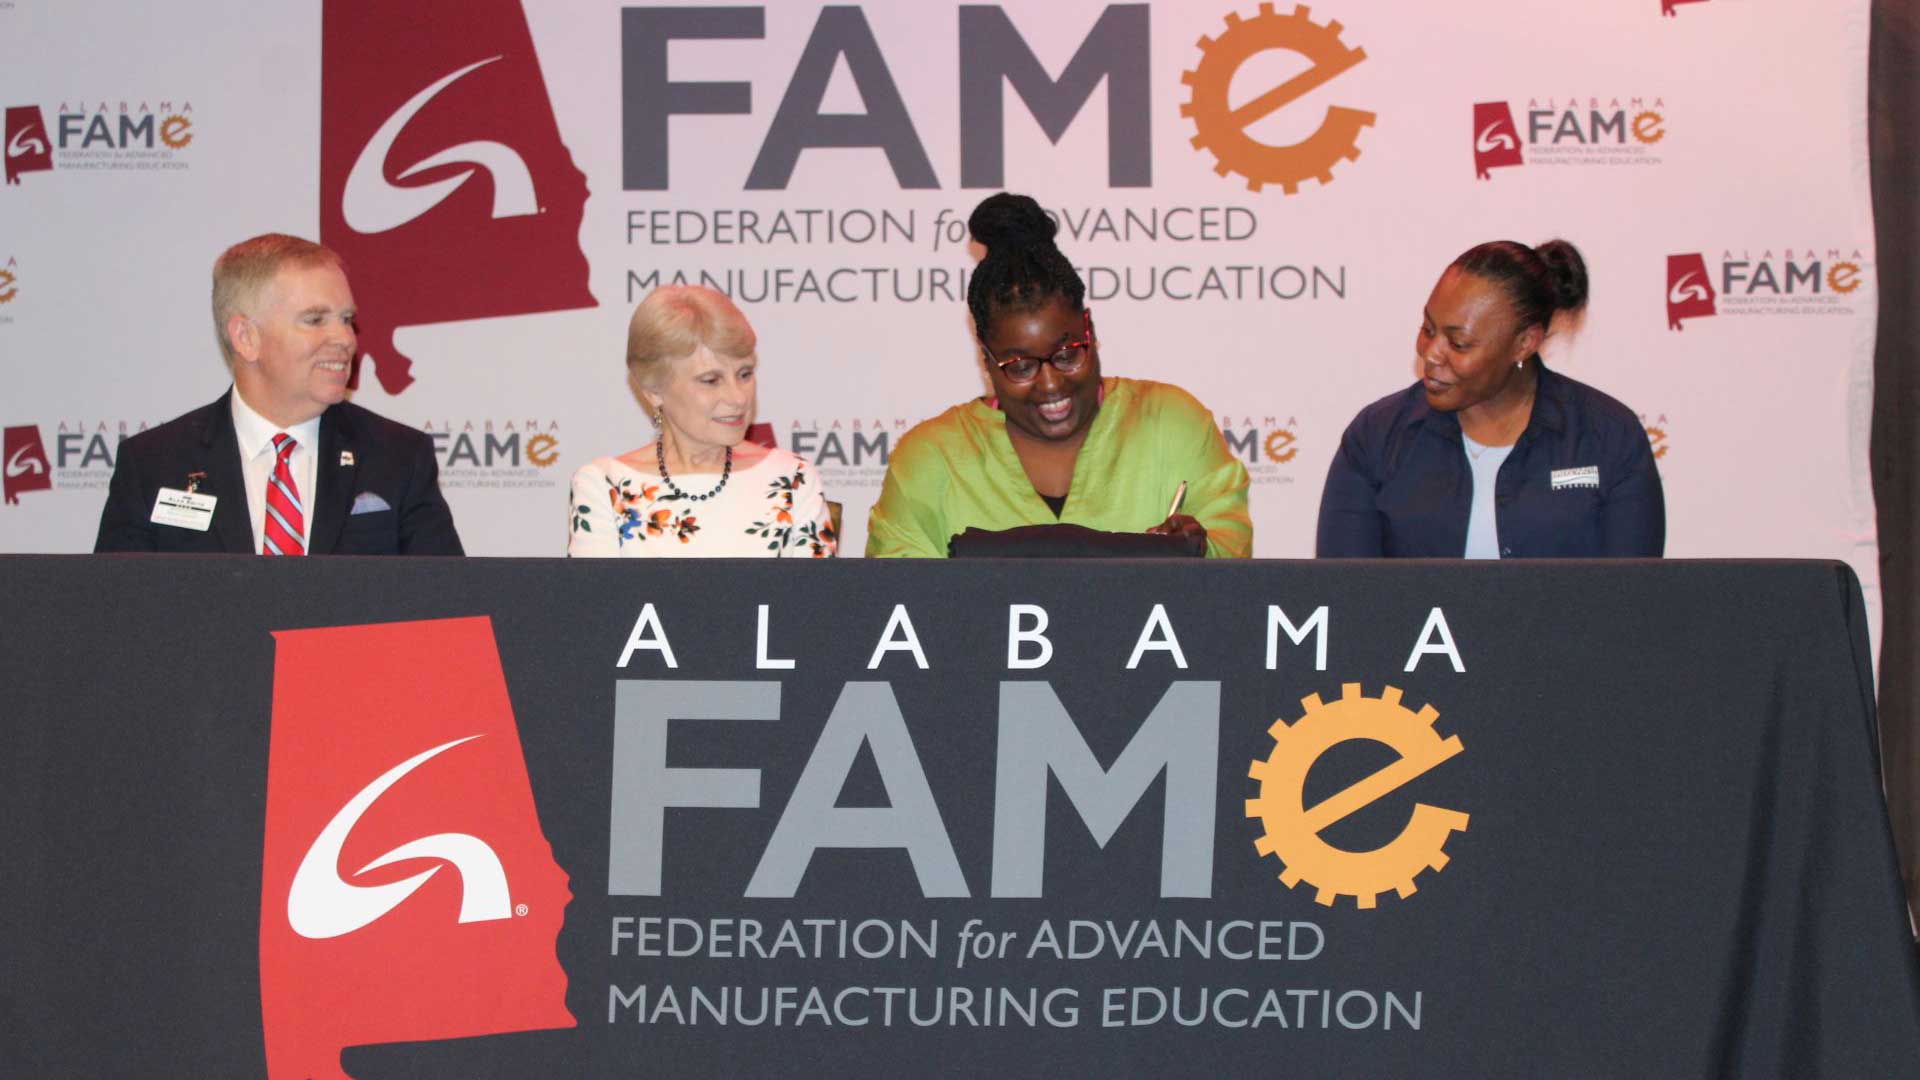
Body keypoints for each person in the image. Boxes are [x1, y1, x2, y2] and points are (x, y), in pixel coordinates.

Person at [866, 193, 1251, 558]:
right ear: (986, 358)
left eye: (1067, 355)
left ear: (1090, 330)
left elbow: (1234, 559)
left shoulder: (1172, 424)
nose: (1050, 384)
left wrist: (1201, 550)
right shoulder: (932, 459)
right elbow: (896, 602)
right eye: (1020, 367)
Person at [94, 234, 463, 555]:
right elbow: (117, 617)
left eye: (347, 319)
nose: (345, 339)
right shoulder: (154, 464)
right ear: (246, 338)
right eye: (315, 320)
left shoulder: (398, 458)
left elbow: (449, 614)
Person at [1316, 239, 1663, 558]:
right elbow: (1345, 600)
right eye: (1428, 329)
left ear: (1525, 343)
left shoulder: (1610, 437)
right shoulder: (1375, 437)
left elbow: (1630, 604)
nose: (1431, 354)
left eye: (1459, 343)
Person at [568, 285, 835, 557]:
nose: (738, 398)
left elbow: (816, 598)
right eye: (711, 380)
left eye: (744, 374)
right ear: (653, 390)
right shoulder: (604, 485)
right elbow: (596, 599)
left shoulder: (793, 478)